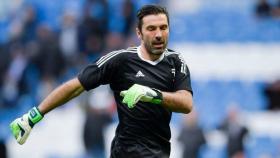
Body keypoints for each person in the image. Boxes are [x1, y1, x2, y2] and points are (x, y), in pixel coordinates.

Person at [10, 4, 193, 158]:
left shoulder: (176, 62)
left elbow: (186, 103)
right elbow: (75, 86)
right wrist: (34, 115)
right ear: (139, 33)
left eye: (163, 27)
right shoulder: (120, 60)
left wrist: (152, 94)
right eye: (151, 29)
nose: (159, 34)